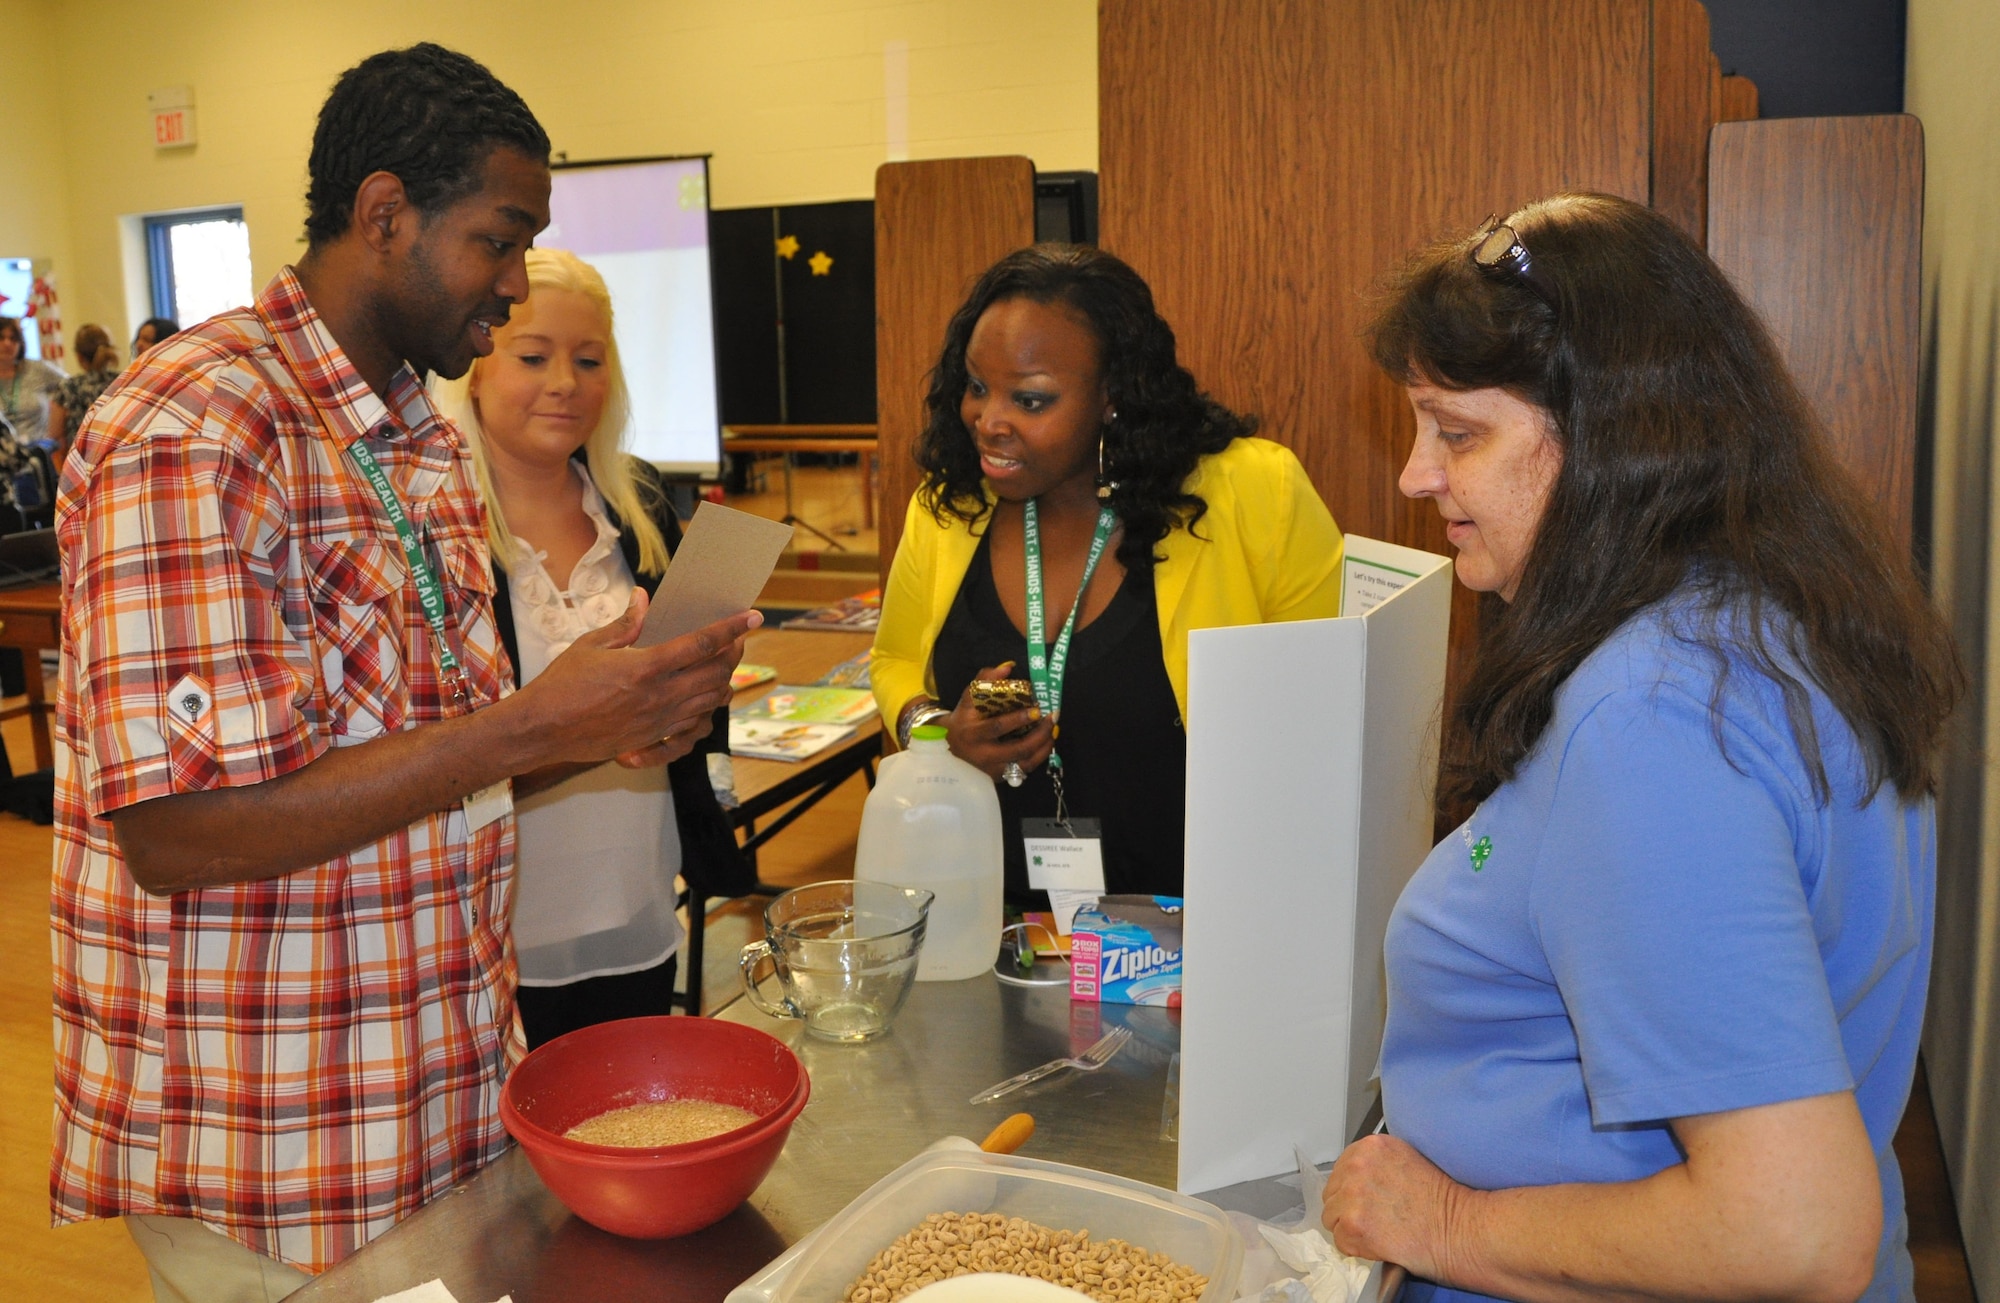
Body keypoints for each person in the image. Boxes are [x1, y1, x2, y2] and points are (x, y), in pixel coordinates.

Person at [52, 44, 756, 1301]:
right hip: (276, 1135)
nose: (517, 280)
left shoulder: (409, 431)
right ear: (386, 216)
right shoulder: (196, 427)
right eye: (499, 237)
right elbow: (179, 829)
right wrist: (529, 726)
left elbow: (417, 756)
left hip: (432, 1090)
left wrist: (604, 716)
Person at [1320, 194, 1962, 1303]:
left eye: (1457, 432)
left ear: (1614, 443)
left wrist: (1447, 1220)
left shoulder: (1652, 722)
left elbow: (1790, 1233)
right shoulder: (1770, 618)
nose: (1414, 475)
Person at [872, 244, 1343, 904]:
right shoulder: (947, 507)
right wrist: (935, 729)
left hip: (1193, 932)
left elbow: (1329, 719)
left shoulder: (1254, 493)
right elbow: (893, 659)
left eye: (1031, 400)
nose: (989, 421)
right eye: (977, 387)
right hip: (994, 924)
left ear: (1112, 397)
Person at [433, 247, 750, 1048]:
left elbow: (682, 700)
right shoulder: (435, 523)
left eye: (589, 359)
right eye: (533, 356)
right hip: (491, 929)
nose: (565, 382)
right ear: (475, 365)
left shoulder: (638, 502)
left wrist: (700, 684)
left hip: (636, 900)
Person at [49, 323, 120, 454]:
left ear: (79, 356)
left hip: (81, 464)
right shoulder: (123, 381)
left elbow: (55, 434)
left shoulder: (68, 388)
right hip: (119, 459)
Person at [0, 314, 63, 446]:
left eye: (13, 339)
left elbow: (71, 388)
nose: (7, 343)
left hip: (38, 451)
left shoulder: (37, 369)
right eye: (1, 338)